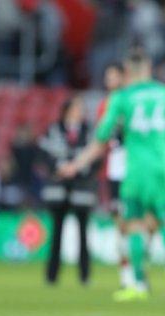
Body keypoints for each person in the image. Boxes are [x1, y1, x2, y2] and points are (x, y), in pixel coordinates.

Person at [59, 50, 165, 300]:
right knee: (163, 217)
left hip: (135, 169)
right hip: (162, 165)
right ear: (149, 68)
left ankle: (139, 285)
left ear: (128, 72)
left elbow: (102, 137)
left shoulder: (122, 98)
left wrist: (76, 164)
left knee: (134, 224)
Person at [38, 96, 99, 285]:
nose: (80, 113)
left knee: (83, 234)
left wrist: (78, 169)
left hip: (82, 188)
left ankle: (84, 275)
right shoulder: (54, 130)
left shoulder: (90, 132)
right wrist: (61, 167)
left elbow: (97, 158)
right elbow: (44, 154)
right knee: (56, 233)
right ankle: (52, 275)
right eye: (76, 108)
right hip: (58, 188)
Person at [97, 62, 137, 292]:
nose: (108, 81)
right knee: (120, 224)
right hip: (114, 170)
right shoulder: (106, 105)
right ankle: (127, 274)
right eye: (107, 77)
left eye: (112, 77)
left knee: (136, 223)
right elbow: (102, 138)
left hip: (133, 169)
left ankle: (137, 272)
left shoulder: (130, 102)